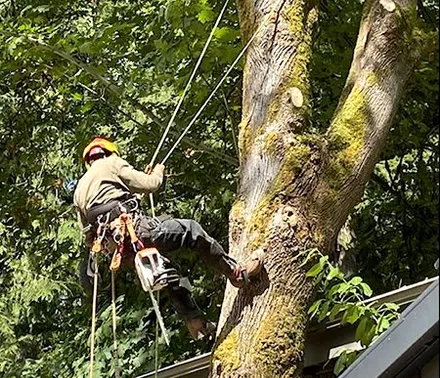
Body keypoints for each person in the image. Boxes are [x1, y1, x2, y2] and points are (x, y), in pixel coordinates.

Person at [74, 137, 263, 339]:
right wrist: (158, 172)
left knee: (169, 272)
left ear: (88, 160)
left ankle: (195, 322)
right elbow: (151, 184)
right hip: (137, 231)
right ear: (110, 151)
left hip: (120, 250)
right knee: (191, 230)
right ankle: (236, 273)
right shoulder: (112, 163)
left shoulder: (79, 190)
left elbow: (88, 235)